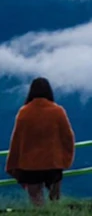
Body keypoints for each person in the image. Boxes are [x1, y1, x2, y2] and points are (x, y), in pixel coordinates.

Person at [5, 77, 75, 208]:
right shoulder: (58, 111)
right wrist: (65, 158)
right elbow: (68, 137)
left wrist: (13, 163)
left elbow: (16, 140)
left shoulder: (23, 113)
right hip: (53, 163)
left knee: (36, 201)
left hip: (30, 165)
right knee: (55, 200)